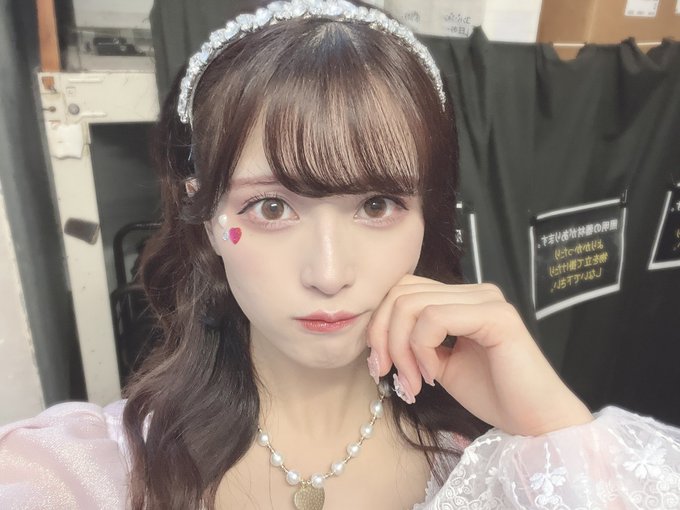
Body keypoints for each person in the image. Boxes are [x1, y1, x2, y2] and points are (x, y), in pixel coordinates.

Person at [2, 1, 680, 509]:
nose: (328, 274)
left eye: (377, 205)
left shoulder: (497, 467)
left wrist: (554, 427)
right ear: (205, 216)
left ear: (428, 215)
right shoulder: (82, 474)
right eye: (271, 208)